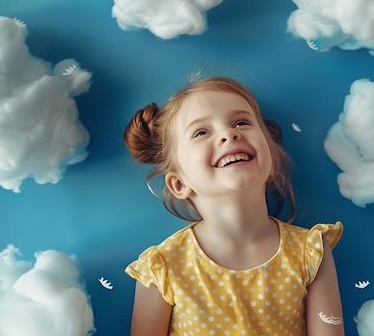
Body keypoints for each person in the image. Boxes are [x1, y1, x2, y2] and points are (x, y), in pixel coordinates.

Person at [123, 76, 345, 336]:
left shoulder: (311, 253)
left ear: (271, 158)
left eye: (242, 122)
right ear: (179, 183)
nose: (229, 134)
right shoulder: (163, 268)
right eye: (201, 132)